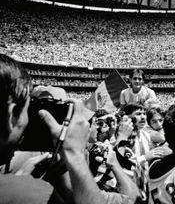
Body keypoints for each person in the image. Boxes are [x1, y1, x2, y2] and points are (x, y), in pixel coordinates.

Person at [0, 53, 105, 204]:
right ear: (12, 117)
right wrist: (74, 155)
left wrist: (22, 174)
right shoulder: (29, 194)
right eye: (28, 110)